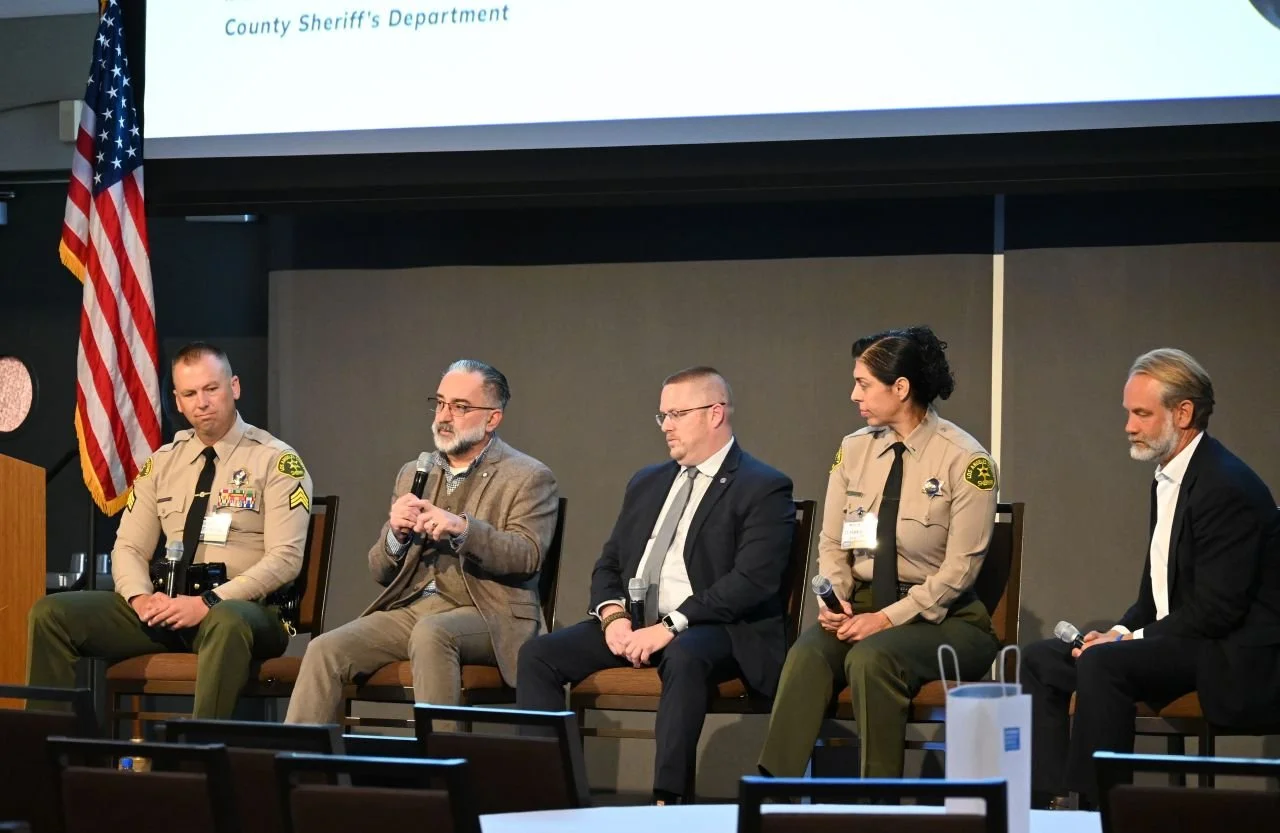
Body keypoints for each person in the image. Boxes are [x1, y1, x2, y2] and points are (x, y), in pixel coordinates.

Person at [517, 366, 795, 805]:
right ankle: (545, 795)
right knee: (538, 655)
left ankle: (668, 803)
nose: (665, 425)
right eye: (662, 415)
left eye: (677, 414)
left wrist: (670, 625)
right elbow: (609, 563)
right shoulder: (647, 482)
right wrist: (613, 618)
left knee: (684, 655)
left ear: (715, 414)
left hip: (715, 627)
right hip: (637, 622)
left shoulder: (762, 486)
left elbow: (752, 582)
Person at [1023, 348, 1280, 809]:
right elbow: (1157, 591)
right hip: (1182, 637)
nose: (1129, 425)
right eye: (1129, 412)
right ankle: (1045, 807)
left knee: (1103, 664)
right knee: (1043, 659)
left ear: (1183, 413)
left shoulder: (1226, 486)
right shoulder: (1169, 475)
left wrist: (1125, 644)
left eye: (1141, 413)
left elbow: (1219, 611)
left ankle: (1100, 811)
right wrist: (1121, 631)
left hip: (1227, 652)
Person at [757, 326, 1001, 779]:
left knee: (872, 657)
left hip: (944, 618)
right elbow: (833, 543)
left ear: (901, 388)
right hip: (864, 604)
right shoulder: (853, 451)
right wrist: (836, 600)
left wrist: (887, 619)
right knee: (808, 654)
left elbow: (960, 572)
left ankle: (879, 805)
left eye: (864, 384)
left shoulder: (965, 459)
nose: (854, 395)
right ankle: (773, 797)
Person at [27, 342, 313, 718]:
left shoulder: (275, 461)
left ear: (235, 387)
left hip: (246, 613)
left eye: (212, 389)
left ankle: (198, 760)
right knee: (52, 614)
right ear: (177, 402)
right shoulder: (161, 464)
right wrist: (139, 598)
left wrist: (208, 602)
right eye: (190, 394)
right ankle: (43, 761)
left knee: (227, 620)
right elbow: (128, 547)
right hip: (170, 609)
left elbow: (285, 560)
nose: (202, 402)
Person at [285, 359, 559, 725]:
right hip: (414, 607)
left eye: (460, 407)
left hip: (489, 614)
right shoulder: (415, 472)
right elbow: (379, 570)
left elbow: (527, 555)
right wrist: (395, 536)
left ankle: (441, 771)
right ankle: (301, 771)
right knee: (324, 649)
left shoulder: (528, 476)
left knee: (432, 634)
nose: (445, 416)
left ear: (492, 419)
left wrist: (462, 529)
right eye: (441, 403)